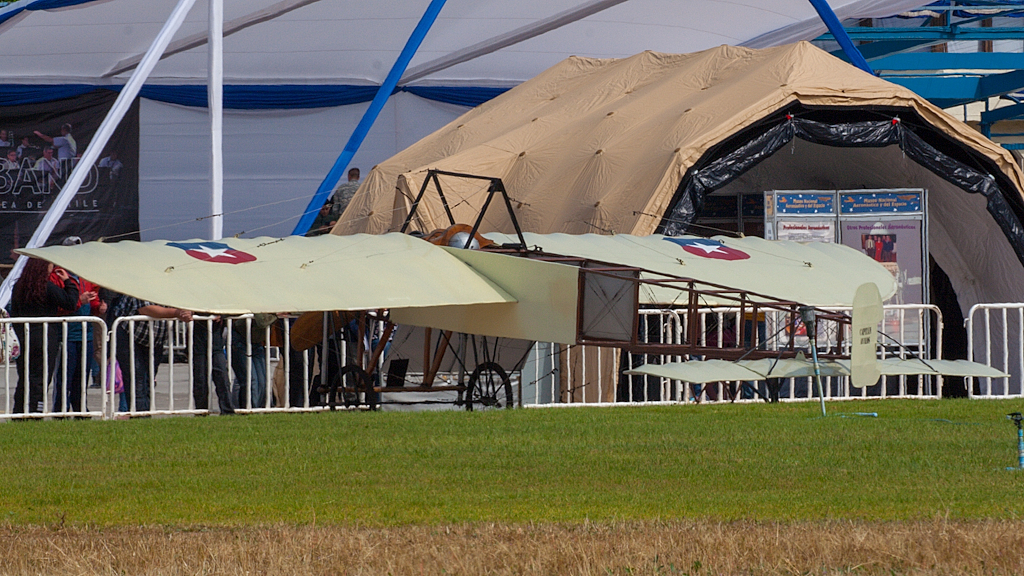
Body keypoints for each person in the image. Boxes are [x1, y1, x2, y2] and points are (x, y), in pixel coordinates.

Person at [10, 258, 79, 414]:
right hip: (45, 336)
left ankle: (19, 410)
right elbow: (70, 302)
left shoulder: (19, 287)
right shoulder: (46, 287)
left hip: (24, 336)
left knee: (24, 376)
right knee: (40, 377)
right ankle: (35, 410)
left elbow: (14, 312)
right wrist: (68, 282)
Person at [107, 293, 191, 413]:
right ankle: (140, 415)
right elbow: (146, 309)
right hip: (129, 335)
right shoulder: (140, 285)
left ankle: (145, 413)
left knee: (149, 380)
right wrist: (177, 313)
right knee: (137, 379)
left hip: (154, 340)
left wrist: (188, 311)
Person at [51, 237, 103, 413]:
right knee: (64, 375)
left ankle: (81, 408)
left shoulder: (85, 275)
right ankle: (61, 410)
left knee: (82, 375)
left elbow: (93, 301)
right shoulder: (56, 275)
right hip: (65, 333)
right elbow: (58, 304)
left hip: (85, 333)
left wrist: (98, 306)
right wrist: (80, 300)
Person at [192, 316, 235, 414]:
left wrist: (222, 315)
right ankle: (201, 411)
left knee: (222, 377)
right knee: (200, 379)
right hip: (198, 339)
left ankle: (227, 410)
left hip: (216, 341)